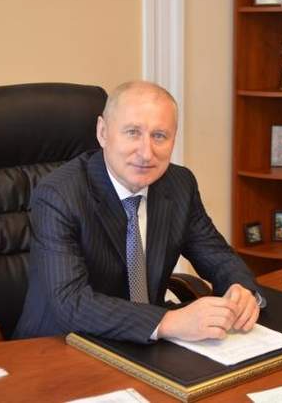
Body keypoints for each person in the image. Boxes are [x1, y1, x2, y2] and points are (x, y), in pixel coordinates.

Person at [14, 81, 266, 344]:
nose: (146, 153)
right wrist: (168, 321)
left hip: (145, 345)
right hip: (61, 344)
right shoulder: (58, 195)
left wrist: (242, 289)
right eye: (133, 132)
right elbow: (70, 303)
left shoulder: (179, 184)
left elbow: (217, 255)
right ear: (103, 132)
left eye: (159, 136)